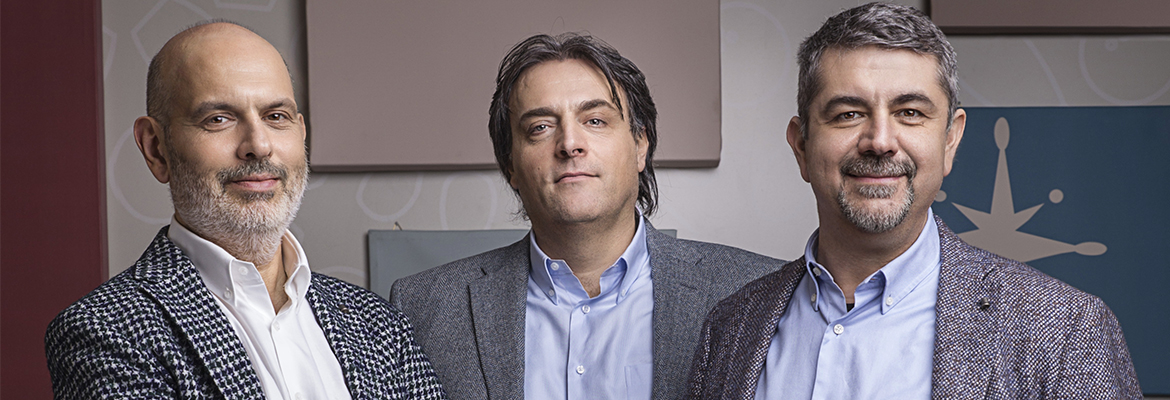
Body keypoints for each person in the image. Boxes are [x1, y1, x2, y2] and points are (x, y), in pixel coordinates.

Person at [687, 3, 1142, 398]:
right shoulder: (732, 327)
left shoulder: (1065, 331)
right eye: (848, 114)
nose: (880, 141)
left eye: (910, 113)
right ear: (801, 145)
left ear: (950, 141)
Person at [45, 22, 445, 399]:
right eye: (218, 119)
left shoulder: (378, 322)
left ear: (301, 132)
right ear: (156, 148)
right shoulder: (103, 331)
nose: (259, 145)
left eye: (276, 117)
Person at [390, 32, 783, 400]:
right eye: (540, 127)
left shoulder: (760, 292)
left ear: (640, 145)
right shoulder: (424, 308)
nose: (569, 144)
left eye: (595, 120)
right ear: (510, 164)